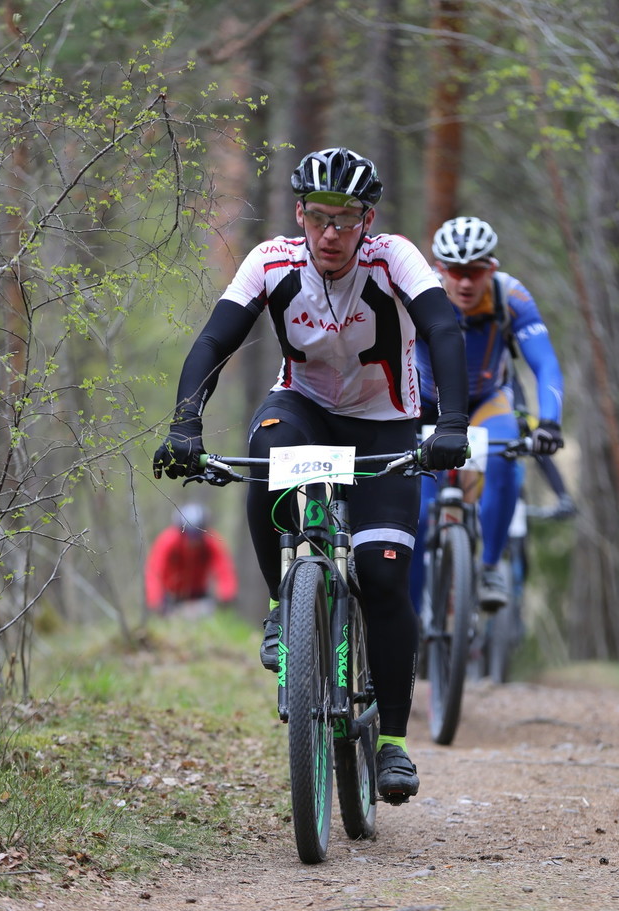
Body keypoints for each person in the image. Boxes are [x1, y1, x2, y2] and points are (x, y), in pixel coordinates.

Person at [153, 147, 469, 802]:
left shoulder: (394, 259)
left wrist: (452, 425)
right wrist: (185, 426)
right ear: (300, 214)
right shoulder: (272, 261)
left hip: (386, 424)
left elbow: (443, 325)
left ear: (367, 220)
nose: (331, 233)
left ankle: (392, 744)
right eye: (319, 216)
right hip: (304, 409)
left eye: (346, 219)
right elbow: (215, 342)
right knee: (266, 452)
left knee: (383, 574)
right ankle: (282, 606)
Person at [411, 216, 565, 612]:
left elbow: (544, 364)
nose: (465, 282)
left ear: (491, 269)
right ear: (439, 268)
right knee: (416, 512)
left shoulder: (510, 296)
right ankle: (406, 616)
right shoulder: (415, 289)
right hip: (424, 401)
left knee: (505, 459)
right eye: (456, 271)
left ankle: (490, 565)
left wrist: (549, 421)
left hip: (485, 400)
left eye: (475, 271)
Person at [145, 502, 238, 614]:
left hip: (199, 597)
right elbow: (154, 571)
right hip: (170, 598)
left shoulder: (211, 541)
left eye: (197, 534)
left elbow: (224, 569)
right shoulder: (167, 541)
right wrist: (155, 600)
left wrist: (226, 594)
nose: (193, 540)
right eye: (189, 534)